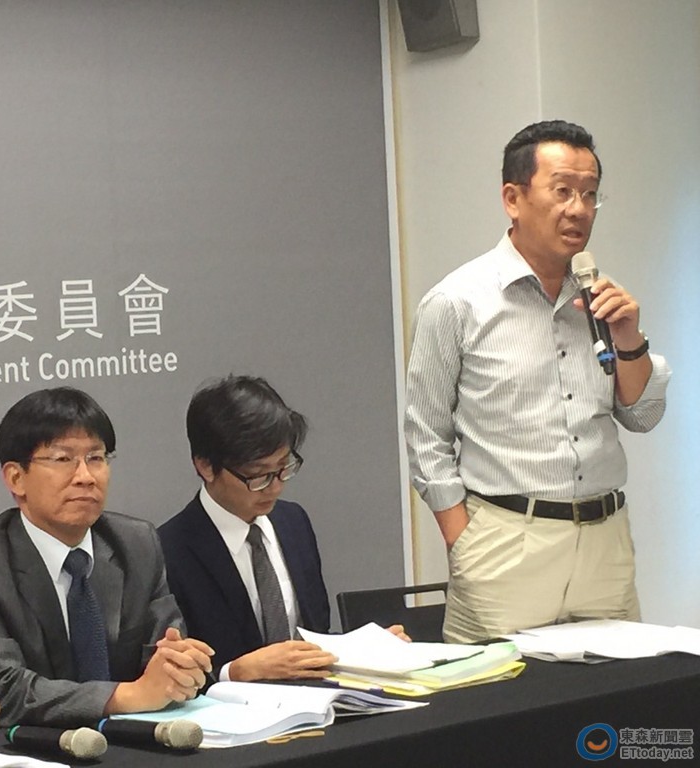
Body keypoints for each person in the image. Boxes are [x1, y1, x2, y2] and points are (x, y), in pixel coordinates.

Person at [405, 119, 670, 643]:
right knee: (503, 693)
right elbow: (426, 437)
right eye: (563, 191)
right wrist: (464, 541)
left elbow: (643, 416)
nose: (579, 209)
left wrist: (629, 337)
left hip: (605, 544)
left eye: (590, 194)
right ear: (513, 198)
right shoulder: (456, 301)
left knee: (616, 691)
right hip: (505, 543)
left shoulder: (601, 298)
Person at [0, 387, 213, 727]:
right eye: (63, 459)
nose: (85, 477)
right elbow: (1, 692)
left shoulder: (137, 545)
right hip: (28, 747)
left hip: (134, 741)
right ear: (16, 478)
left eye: (96, 458)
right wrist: (127, 696)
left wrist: (179, 669)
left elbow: (164, 653)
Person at [159, 375, 408, 681]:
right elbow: (166, 676)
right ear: (206, 466)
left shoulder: (293, 523)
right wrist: (234, 672)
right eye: (258, 475)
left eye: (284, 468)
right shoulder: (167, 551)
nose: (275, 487)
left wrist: (364, 650)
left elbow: (313, 636)